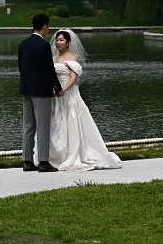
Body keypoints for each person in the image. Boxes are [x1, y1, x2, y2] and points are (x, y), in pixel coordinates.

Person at [47, 29, 122, 171]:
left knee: (72, 122)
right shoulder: (53, 58)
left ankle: (76, 154)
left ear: (68, 42)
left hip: (69, 95)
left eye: (61, 40)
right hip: (56, 96)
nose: (58, 42)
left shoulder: (72, 57)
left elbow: (73, 78)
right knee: (57, 124)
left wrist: (63, 90)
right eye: (57, 40)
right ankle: (57, 155)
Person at [18, 14, 63, 172]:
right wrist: (57, 88)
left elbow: (21, 68)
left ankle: (27, 161)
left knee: (28, 125)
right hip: (41, 91)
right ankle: (44, 161)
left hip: (26, 89)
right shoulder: (43, 46)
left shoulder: (23, 44)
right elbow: (49, 70)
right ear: (45, 26)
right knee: (43, 126)